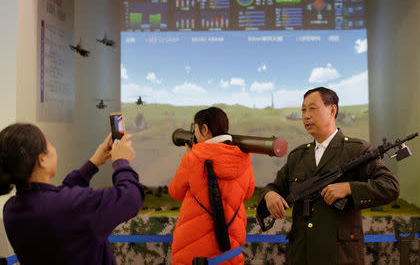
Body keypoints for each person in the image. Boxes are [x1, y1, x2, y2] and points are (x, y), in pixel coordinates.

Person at [260, 87, 400, 265]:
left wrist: (349, 188)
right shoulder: (298, 156)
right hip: (302, 253)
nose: (306, 115)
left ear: (332, 110)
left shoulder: (357, 150)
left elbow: (390, 186)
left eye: (312, 108)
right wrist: (270, 195)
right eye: (303, 110)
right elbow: (274, 187)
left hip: (340, 254)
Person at [0, 123, 145, 265]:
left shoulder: (11, 210)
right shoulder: (69, 207)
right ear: (42, 159)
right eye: (49, 144)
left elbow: (60, 202)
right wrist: (121, 161)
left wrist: (94, 163)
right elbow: (131, 197)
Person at [169, 107, 255, 265]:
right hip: (230, 253)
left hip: (194, 254)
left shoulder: (193, 158)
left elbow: (175, 192)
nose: (194, 134)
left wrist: (190, 155)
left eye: (195, 129)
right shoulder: (243, 159)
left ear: (204, 129)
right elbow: (248, 193)